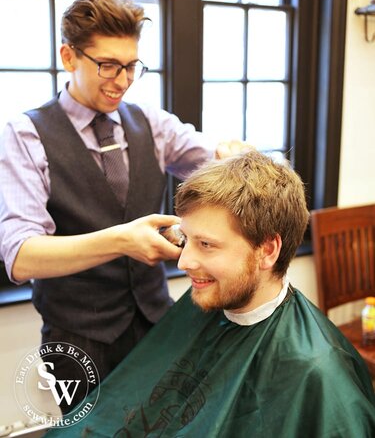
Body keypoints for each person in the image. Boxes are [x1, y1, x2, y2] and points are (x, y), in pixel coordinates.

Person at [0, 0, 247, 414]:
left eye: (132, 66)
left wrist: (235, 154)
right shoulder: (25, 135)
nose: (123, 80)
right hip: (78, 340)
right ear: (69, 56)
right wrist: (123, 240)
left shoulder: (151, 122)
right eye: (108, 66)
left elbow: (214, 159)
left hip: (157, 321)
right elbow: (21, 256)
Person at [45, 150, 375, 437]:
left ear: (268, 250)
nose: (185, 261)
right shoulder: (207, 306)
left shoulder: (317, 372)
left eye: (206, 244)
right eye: (185, 239)